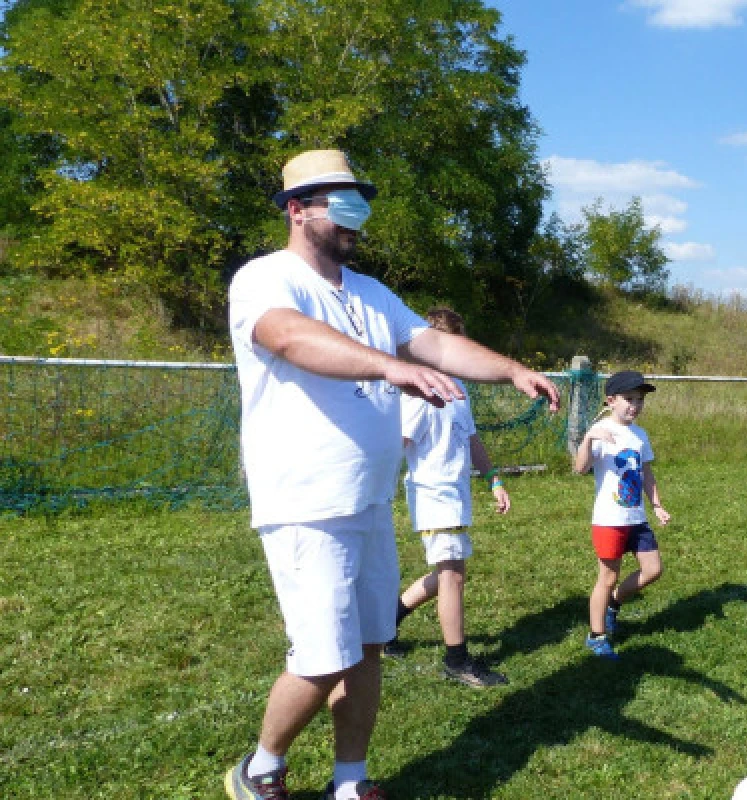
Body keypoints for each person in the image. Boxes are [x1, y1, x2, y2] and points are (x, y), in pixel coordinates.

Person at [225, 149, 559, 800]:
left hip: (369, 501)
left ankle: (350, 781)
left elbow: (435, 344)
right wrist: (387, 366)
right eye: (341, 203)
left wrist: (510, 368)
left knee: (370, 645)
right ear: (298, 210)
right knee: (323, 657)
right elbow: (290, 337)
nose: (357, 217)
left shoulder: (372, 294)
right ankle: (260, 768)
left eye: (361, 204)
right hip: (304, 502)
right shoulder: (266, 280)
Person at [382, 307, 511, 688]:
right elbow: (397, 445)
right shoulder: (418, 395)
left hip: (456, 494)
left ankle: (386, 624)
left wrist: (493, 479)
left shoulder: (459, 390)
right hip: (432, 494)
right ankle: (457, 660)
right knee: (452, 575)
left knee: (448, 574)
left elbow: (471, 439)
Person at [572, 370, 671, 659]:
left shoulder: (640, 435)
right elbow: (579, 468)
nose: (635, 406)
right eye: (629, 399)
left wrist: (657, 505)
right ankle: (596, 635)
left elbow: (647, 474)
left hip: (636, 518)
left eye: (639, 400)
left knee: (653, 569)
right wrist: (589, 437)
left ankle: (613, 604)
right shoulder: (601, 431)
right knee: (608, 577)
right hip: (609, 520)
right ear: (611, 400)